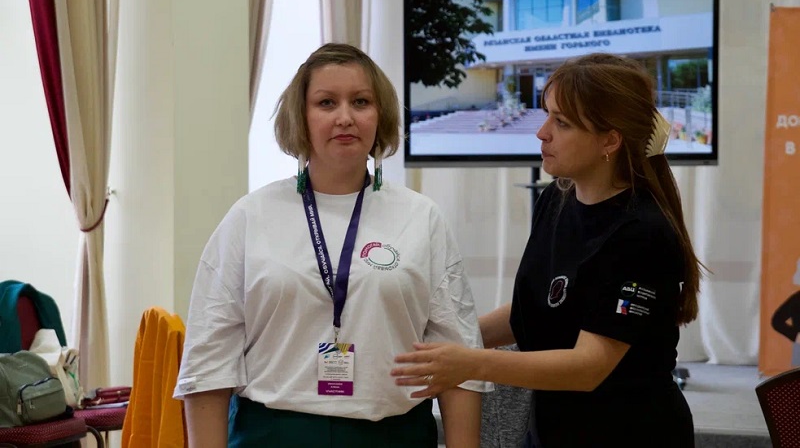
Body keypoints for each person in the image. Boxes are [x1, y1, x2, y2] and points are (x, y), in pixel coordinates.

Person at [173, 43, 489, 447]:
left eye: (361, 102)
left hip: (392, 435)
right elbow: (208, 360)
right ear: (300, 118)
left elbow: (459, 359)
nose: (345, 117)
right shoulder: (250, 217)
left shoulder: (421, 218)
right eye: (326, 103)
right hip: (272, 434)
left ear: (380, 115)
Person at [392, 53, 703, 447]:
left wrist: (470, 361)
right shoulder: (556, 200)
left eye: (562, 122)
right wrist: (449, 339)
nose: (542, 133)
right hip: (553, 430)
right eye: (546, 115)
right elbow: (539, 308)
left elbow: (588, 367)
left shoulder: (642, 233)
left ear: (610, 140)